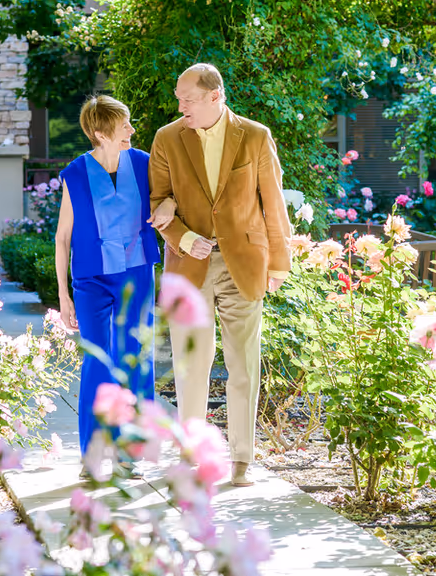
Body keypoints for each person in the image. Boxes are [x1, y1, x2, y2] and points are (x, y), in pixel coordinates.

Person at [149, 63, 293, 487]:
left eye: (187, 99)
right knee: (191, 364)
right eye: (179, 98)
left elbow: (273, 202)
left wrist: (279, 263)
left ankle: (242, 459)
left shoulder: (254, 135)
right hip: (187, 264)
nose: (180, 106)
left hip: (243, 263)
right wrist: (182, 235)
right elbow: (159, 201)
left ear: (215, 96)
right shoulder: (167, 138)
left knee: (243, 365)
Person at [54, 95, 176, 467]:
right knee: (98, 363)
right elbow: (62, 238)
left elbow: (169, 198)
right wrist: (63, 295)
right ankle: (92, 454)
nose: (131, 130)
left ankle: (132, 455)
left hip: (136, 273)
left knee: (136, 360)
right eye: (124, 125)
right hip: (90, 281)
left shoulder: (143, 163)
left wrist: (168, 205)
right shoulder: (75, 174)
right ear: (99, 133)